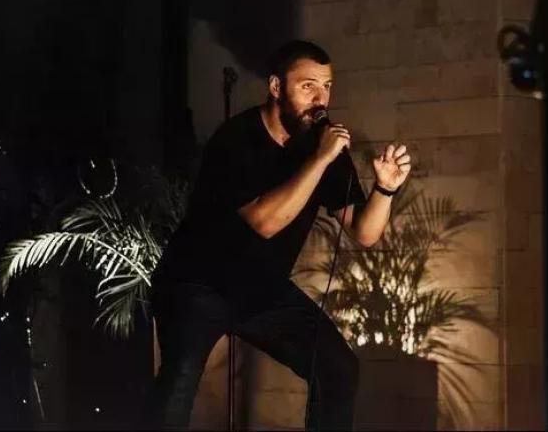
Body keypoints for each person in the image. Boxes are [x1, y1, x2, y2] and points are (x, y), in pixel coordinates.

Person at [149, 40, 412, 430]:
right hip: (197, 284)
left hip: (261, 290)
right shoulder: (236, 139)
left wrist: (385, 189)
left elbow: (364, 232)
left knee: (338, 369)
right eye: (308, 86)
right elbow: (265, 221)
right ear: (276, 87)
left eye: (326, 86)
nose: (320, 99)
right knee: (177, 387)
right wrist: (319, 158)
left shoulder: (322, 145)